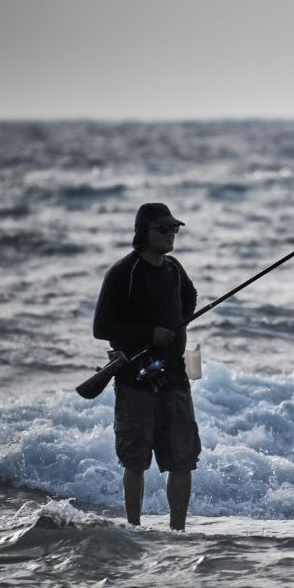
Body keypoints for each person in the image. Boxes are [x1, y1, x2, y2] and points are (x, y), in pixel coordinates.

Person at [92, 203, 201, 530]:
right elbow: (102, 328)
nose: (171, 234)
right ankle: (134, 530)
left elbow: (190, 298)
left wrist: (176, 325)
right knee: (135, 461)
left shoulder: (175, 268)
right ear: (143, 233)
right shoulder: (123, 272)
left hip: (175, 379)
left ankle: (177, 533)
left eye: (174, 229)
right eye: (163, 229)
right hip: (135, 381)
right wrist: (149, 334)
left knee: (183, 461)